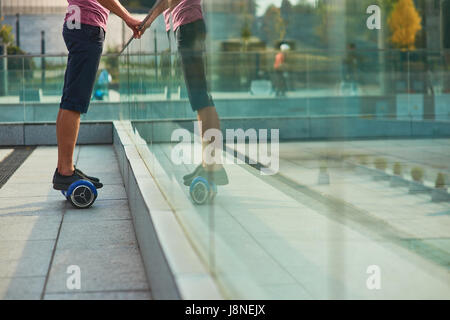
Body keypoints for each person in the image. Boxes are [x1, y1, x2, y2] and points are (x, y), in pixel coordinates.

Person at [52, 0, 142, 191]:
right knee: (74, 101)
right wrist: (127, 16)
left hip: (78, 24)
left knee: (70, 99)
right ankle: (65, 171)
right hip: (87, 27)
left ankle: (64, 168)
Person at [142, 0, 228, 186]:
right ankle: (209, 163)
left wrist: (146, 21)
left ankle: (213, 166)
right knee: (200, 99)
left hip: (188, 26)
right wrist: (147, 22)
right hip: (187, 26)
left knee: (201, 99)